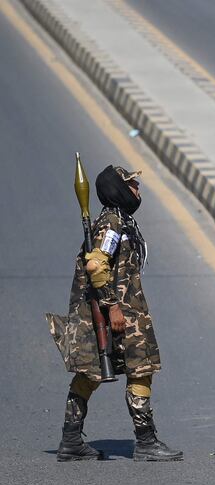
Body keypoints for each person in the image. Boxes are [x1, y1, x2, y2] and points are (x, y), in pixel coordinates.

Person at [46, 165, 182, 462]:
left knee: (90, 373)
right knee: (141, 369)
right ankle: (146, 441)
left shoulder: (119, 220)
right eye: (132, 185)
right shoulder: (112, 223)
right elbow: (96, 265)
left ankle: (70, 441)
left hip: (116, 311)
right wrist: (114, 306)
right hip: (122, 314)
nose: (138, 190)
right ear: (118, 190)